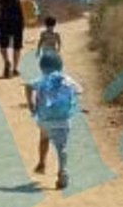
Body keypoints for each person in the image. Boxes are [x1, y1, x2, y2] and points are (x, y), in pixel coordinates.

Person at [27, 51, 82, 190]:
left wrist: (31, 105)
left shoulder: (42, 79)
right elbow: (79, 90)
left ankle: (42, 162)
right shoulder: (66, 79)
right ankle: (62, 173)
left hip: (44, 118)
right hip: (63, 119)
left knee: (44, 137)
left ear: (42, 66)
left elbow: (28, 85)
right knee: (61, 147)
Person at [0, 0, 34, 78]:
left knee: (3, 43)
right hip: (18, 18)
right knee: (17, 44)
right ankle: (15, 69)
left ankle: (6, 61)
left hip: (4, 17)